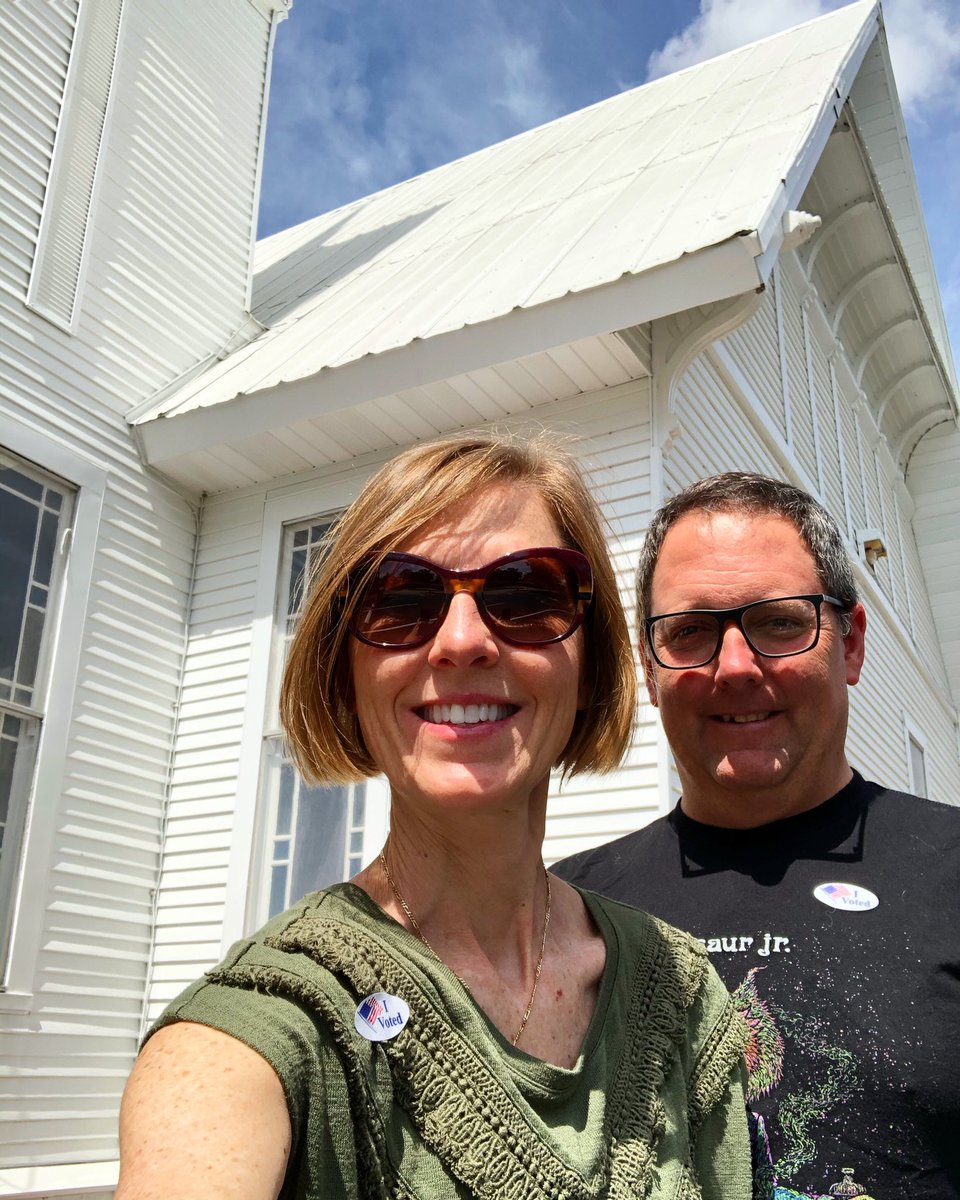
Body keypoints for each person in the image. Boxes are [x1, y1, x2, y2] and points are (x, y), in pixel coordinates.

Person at [114, 434, 757, 1200]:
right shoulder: (263, 1030)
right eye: (401, 600)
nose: (461, 641)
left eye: (524, 593)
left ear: (590, 664)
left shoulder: (680, 992)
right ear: (345, 672)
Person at [554, 471, 960, 1200]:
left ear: (853, 642)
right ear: (650, 669)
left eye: (779, 621)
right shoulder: (567, 908)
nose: (734, 666)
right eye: (691, 632)